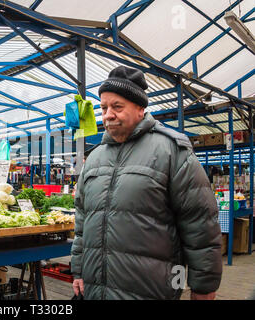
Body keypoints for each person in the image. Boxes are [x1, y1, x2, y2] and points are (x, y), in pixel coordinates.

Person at [71, 65, 222, 300]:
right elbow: (82, 221)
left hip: (150, 290)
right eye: (103, 107)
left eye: (117, 107)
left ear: (140, 108)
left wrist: (203, 288)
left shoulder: (172, 152)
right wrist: (78, 269)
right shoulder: (95, 158)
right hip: (95, 290)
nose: (108, 114)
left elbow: (200, 224)